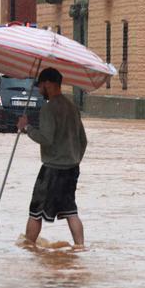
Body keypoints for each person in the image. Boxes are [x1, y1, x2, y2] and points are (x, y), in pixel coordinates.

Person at [17, 68, 88, 248]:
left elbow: (46, 139)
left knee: (36, 211)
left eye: (40, 85)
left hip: (52, 170)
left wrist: (27, 128)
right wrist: (74, 158)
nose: (39, 88)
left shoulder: (49, 108)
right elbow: (83, 140)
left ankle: (28, 248)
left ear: (48, 83)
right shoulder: (72, 107)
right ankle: (80, 247)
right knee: (71, 210)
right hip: (72, 168)